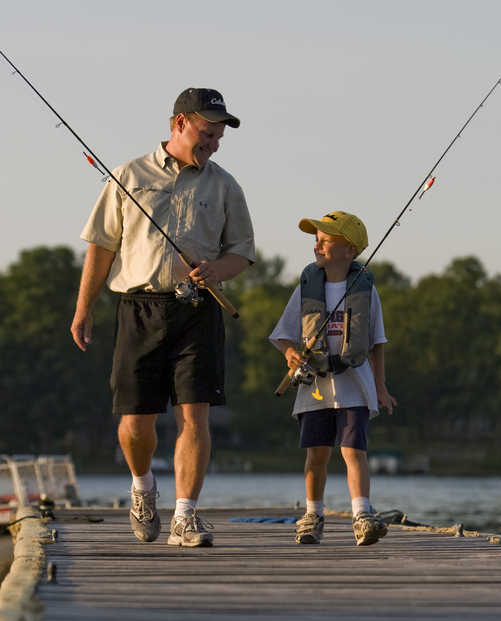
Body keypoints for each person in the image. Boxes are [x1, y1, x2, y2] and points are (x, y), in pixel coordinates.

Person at [71, 88, 255, 547]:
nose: (213, 142)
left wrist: (217, 269)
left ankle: (185, 517)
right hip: (139, 308)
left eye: (218, 136)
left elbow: (242, 255)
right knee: (136, 423)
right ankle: (142, 487)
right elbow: (101, 246)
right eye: (206, 132)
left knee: (196, 416)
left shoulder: (226, 185)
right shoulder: (128, 175)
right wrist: (83, 308)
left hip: (199, 308)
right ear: (179, 123)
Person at [269, 211, 396, 546]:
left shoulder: (367, 290)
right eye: (316, 239)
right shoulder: (306, 287)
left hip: (355, 386)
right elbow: (282, 335)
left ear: (349, 250)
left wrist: (381, 388)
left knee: (353, 451)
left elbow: (377, 344)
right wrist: (289, 354)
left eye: (326, 240)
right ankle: (313, 515)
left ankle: (362, 515)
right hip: (314, 389)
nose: (317, 246)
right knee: (317, 455)